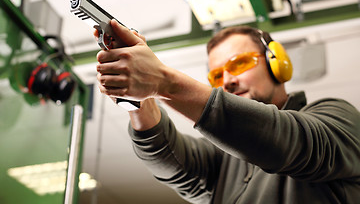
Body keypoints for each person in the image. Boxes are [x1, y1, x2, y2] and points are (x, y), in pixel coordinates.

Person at [96, 20, 360, 203]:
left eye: (240, 63)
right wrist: (138, 100)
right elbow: (169, 161)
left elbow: (288, 141)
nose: (227, 81)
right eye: (217, 75)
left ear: (277, 63)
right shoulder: (222, 160)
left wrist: (164, 83)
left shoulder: (336, 115)